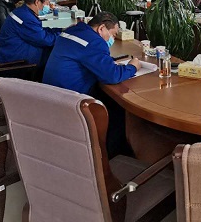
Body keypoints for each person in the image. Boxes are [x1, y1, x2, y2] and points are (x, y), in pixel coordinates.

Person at [43, 12, 141, 158]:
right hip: (71, 97)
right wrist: (133, 67)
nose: (113, 39)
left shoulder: (74, 30)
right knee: (117, 107)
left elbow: (86, 57)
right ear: (101, 28)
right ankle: (109, 155)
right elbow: (112, 76)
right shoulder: (94, 42)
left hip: (51, 92)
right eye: (113, 34)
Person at [0, 0, 62, 68]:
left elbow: (41, 31)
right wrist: (62, 35)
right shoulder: (25, 18)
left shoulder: (24, 12)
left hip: (17, 57)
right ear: (37, 2)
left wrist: (60, 30)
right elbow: (46, 40)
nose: (49, 7)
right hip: (15, 66)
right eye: (47, 4)